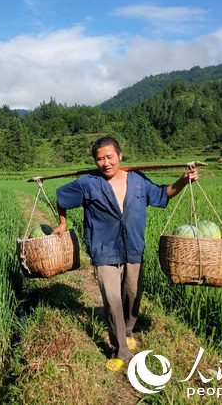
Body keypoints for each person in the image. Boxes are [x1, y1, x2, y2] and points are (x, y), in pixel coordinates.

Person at [52, 136, 198, 371]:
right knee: (112, 299)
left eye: (110, 157)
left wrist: (183, 180)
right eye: (99, 159)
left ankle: (128, 329)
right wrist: (61, 222)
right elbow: (61, 197)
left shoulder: (138, 180)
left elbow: (165, 193)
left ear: (120, 156)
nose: (105, 163)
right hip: (103, 249)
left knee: (132, 293)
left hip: (133, 247)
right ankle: (120, 350)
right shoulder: (87, 183)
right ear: (95, 162)